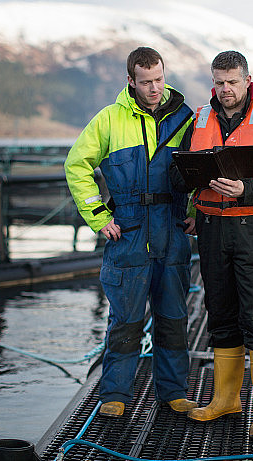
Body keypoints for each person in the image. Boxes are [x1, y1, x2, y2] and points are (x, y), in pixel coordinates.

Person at [65, 47, 198, 418]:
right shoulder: (109, 119)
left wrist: (192, 213)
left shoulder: (187, 118)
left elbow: (200, 168)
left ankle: (173, 393)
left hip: (172, 232)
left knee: (173, 318)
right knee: (125, 320)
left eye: (159, 79)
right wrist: (97, 215)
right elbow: (77, 165)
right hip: (128, 233)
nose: (154, 88)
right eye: (146, 82)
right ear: (131, 81)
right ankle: (115, 395)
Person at [171, 50, 253, 438]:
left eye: (232, 82)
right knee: (221, 314)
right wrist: (193, 185)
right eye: (219, 82)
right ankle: (226, 400)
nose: (226, 90)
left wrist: (245, 189)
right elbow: (182, 173)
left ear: (247, 80)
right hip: (211, 230)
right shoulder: (200, 119)